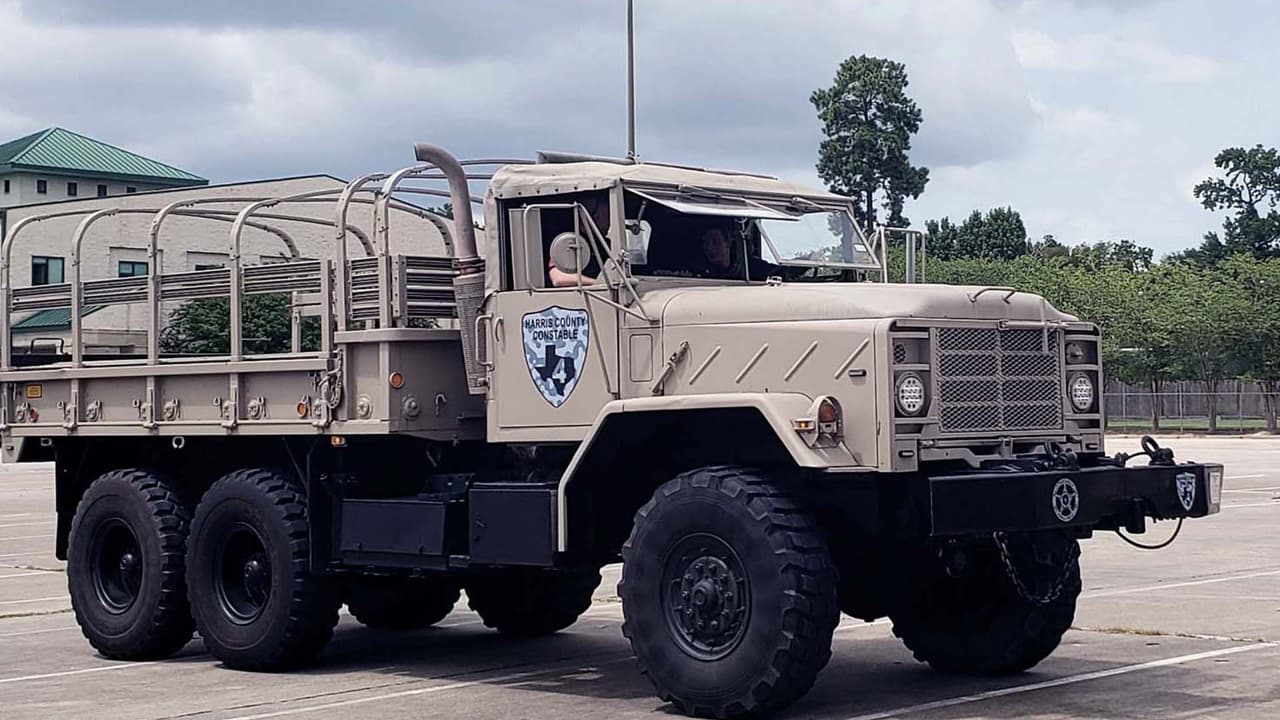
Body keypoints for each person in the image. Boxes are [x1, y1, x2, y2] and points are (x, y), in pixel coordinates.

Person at [549, 192, 610, 287]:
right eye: (607, 216)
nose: (609, 223)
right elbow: (558, 278)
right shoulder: (569, 242)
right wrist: (598, 283)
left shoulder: (605, 245)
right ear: (596, 216)